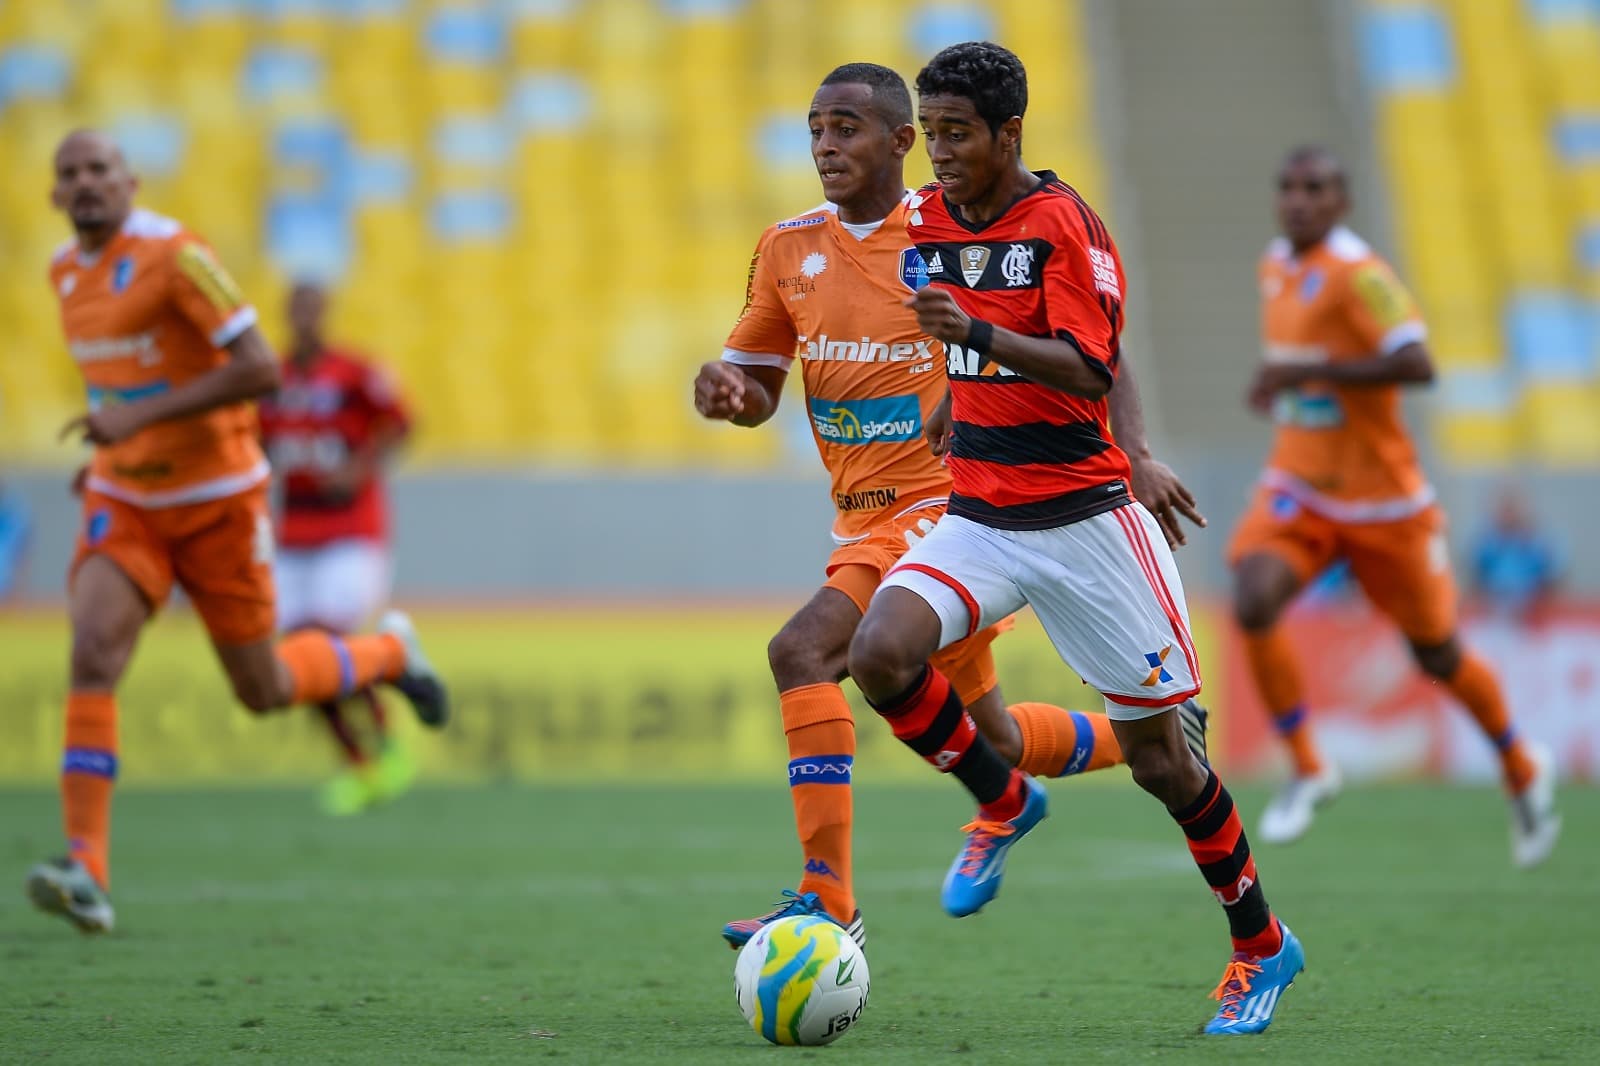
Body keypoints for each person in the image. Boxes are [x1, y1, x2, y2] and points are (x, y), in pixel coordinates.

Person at [696, 62, 1209, 954]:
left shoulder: (952, 225)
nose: (826, 147)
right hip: (863, 519)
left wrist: (1135, 454)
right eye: (816, 130)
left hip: (955, 508)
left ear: (903, 141)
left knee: (802, 652)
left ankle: (828, 899)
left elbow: (1096, 347)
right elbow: (760, 386)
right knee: (994, 738)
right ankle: (1152, 740)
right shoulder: (786, 249)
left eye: (847, 128)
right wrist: (732, 394)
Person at [846, 43, 1301, 1035]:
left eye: (958, 134)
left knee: (1164, 768)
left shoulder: (1062, 224)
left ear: (1009, 132)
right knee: (878, 652)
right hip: (979, 516)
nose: (940, 153)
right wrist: (956, 388)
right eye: (932, 135)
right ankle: (1003, 798)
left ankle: (1262, 944)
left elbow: (1093, 364)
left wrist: (984, 347)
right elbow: (973, 326)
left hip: (1085, 523)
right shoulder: (928, 217)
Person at [26, 130, 449, 934]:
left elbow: (259, 368)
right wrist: (116, 449)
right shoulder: (62, 272)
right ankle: (87, 868)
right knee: (93, 651)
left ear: (130, 182)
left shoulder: (176, 257)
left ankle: (389, 655)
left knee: (265, 690)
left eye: (100, 169)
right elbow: (116, 378)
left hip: (220, 500)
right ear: (53, 194)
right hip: (130, 500)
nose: (85, 183)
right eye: (70, 173)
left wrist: (137, 421)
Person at [1229, 145, 1560, 866]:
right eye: (1288, 187)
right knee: (1253, 597)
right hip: (1301, 488)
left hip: (1385, 507)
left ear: (1341, 201)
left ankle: (1518, 763)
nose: (1298, 200)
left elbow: (1417, 362)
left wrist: (1309, 373)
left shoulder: (1363, 274)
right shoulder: (1275, 264)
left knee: (1436, 652)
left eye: (1315, 188)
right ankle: (1308, 765)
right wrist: (1281, 384)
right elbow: (1298, 372)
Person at [258, 282, 415, 815]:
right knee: (297, 661)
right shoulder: (269, 380)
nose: (304, 316)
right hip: (294, 534)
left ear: (325, 312)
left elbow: (401, 424)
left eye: (312, 306)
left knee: (325, 640)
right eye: (295, 307)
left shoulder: (355, 372)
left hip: (350, 531)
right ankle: (361, 761)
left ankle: (387, 746)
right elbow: (253, 443)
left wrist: (358, 468)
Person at [1470, 485, 1561, 624]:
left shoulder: (1535, 539)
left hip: (1531, 612)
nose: (1509, 515)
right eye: (1506, 509)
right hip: (1493, 609)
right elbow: (1477, 571)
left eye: (1513, 509)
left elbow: (1551, 572)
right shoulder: (1487, 539)